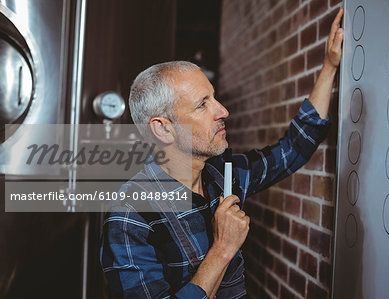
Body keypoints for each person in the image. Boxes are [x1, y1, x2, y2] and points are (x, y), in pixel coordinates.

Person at [100, 8, 344, 299]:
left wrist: (329, 66)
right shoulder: (130, 218)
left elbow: (293, 149)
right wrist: (223, 249)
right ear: (163, 129)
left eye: (214, 97)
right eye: (202, 104)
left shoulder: (223, 173)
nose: (223, 111)